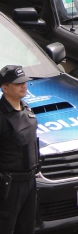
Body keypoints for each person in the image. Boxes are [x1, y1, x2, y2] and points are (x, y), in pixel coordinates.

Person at [0, 64, 39, 234]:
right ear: (5, 88)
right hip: (9, 185)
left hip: (29, 181)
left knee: (27, 227)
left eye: (24, 82)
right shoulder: (2, 117)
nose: (23, 86)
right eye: (18, 83)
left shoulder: (26, 108)